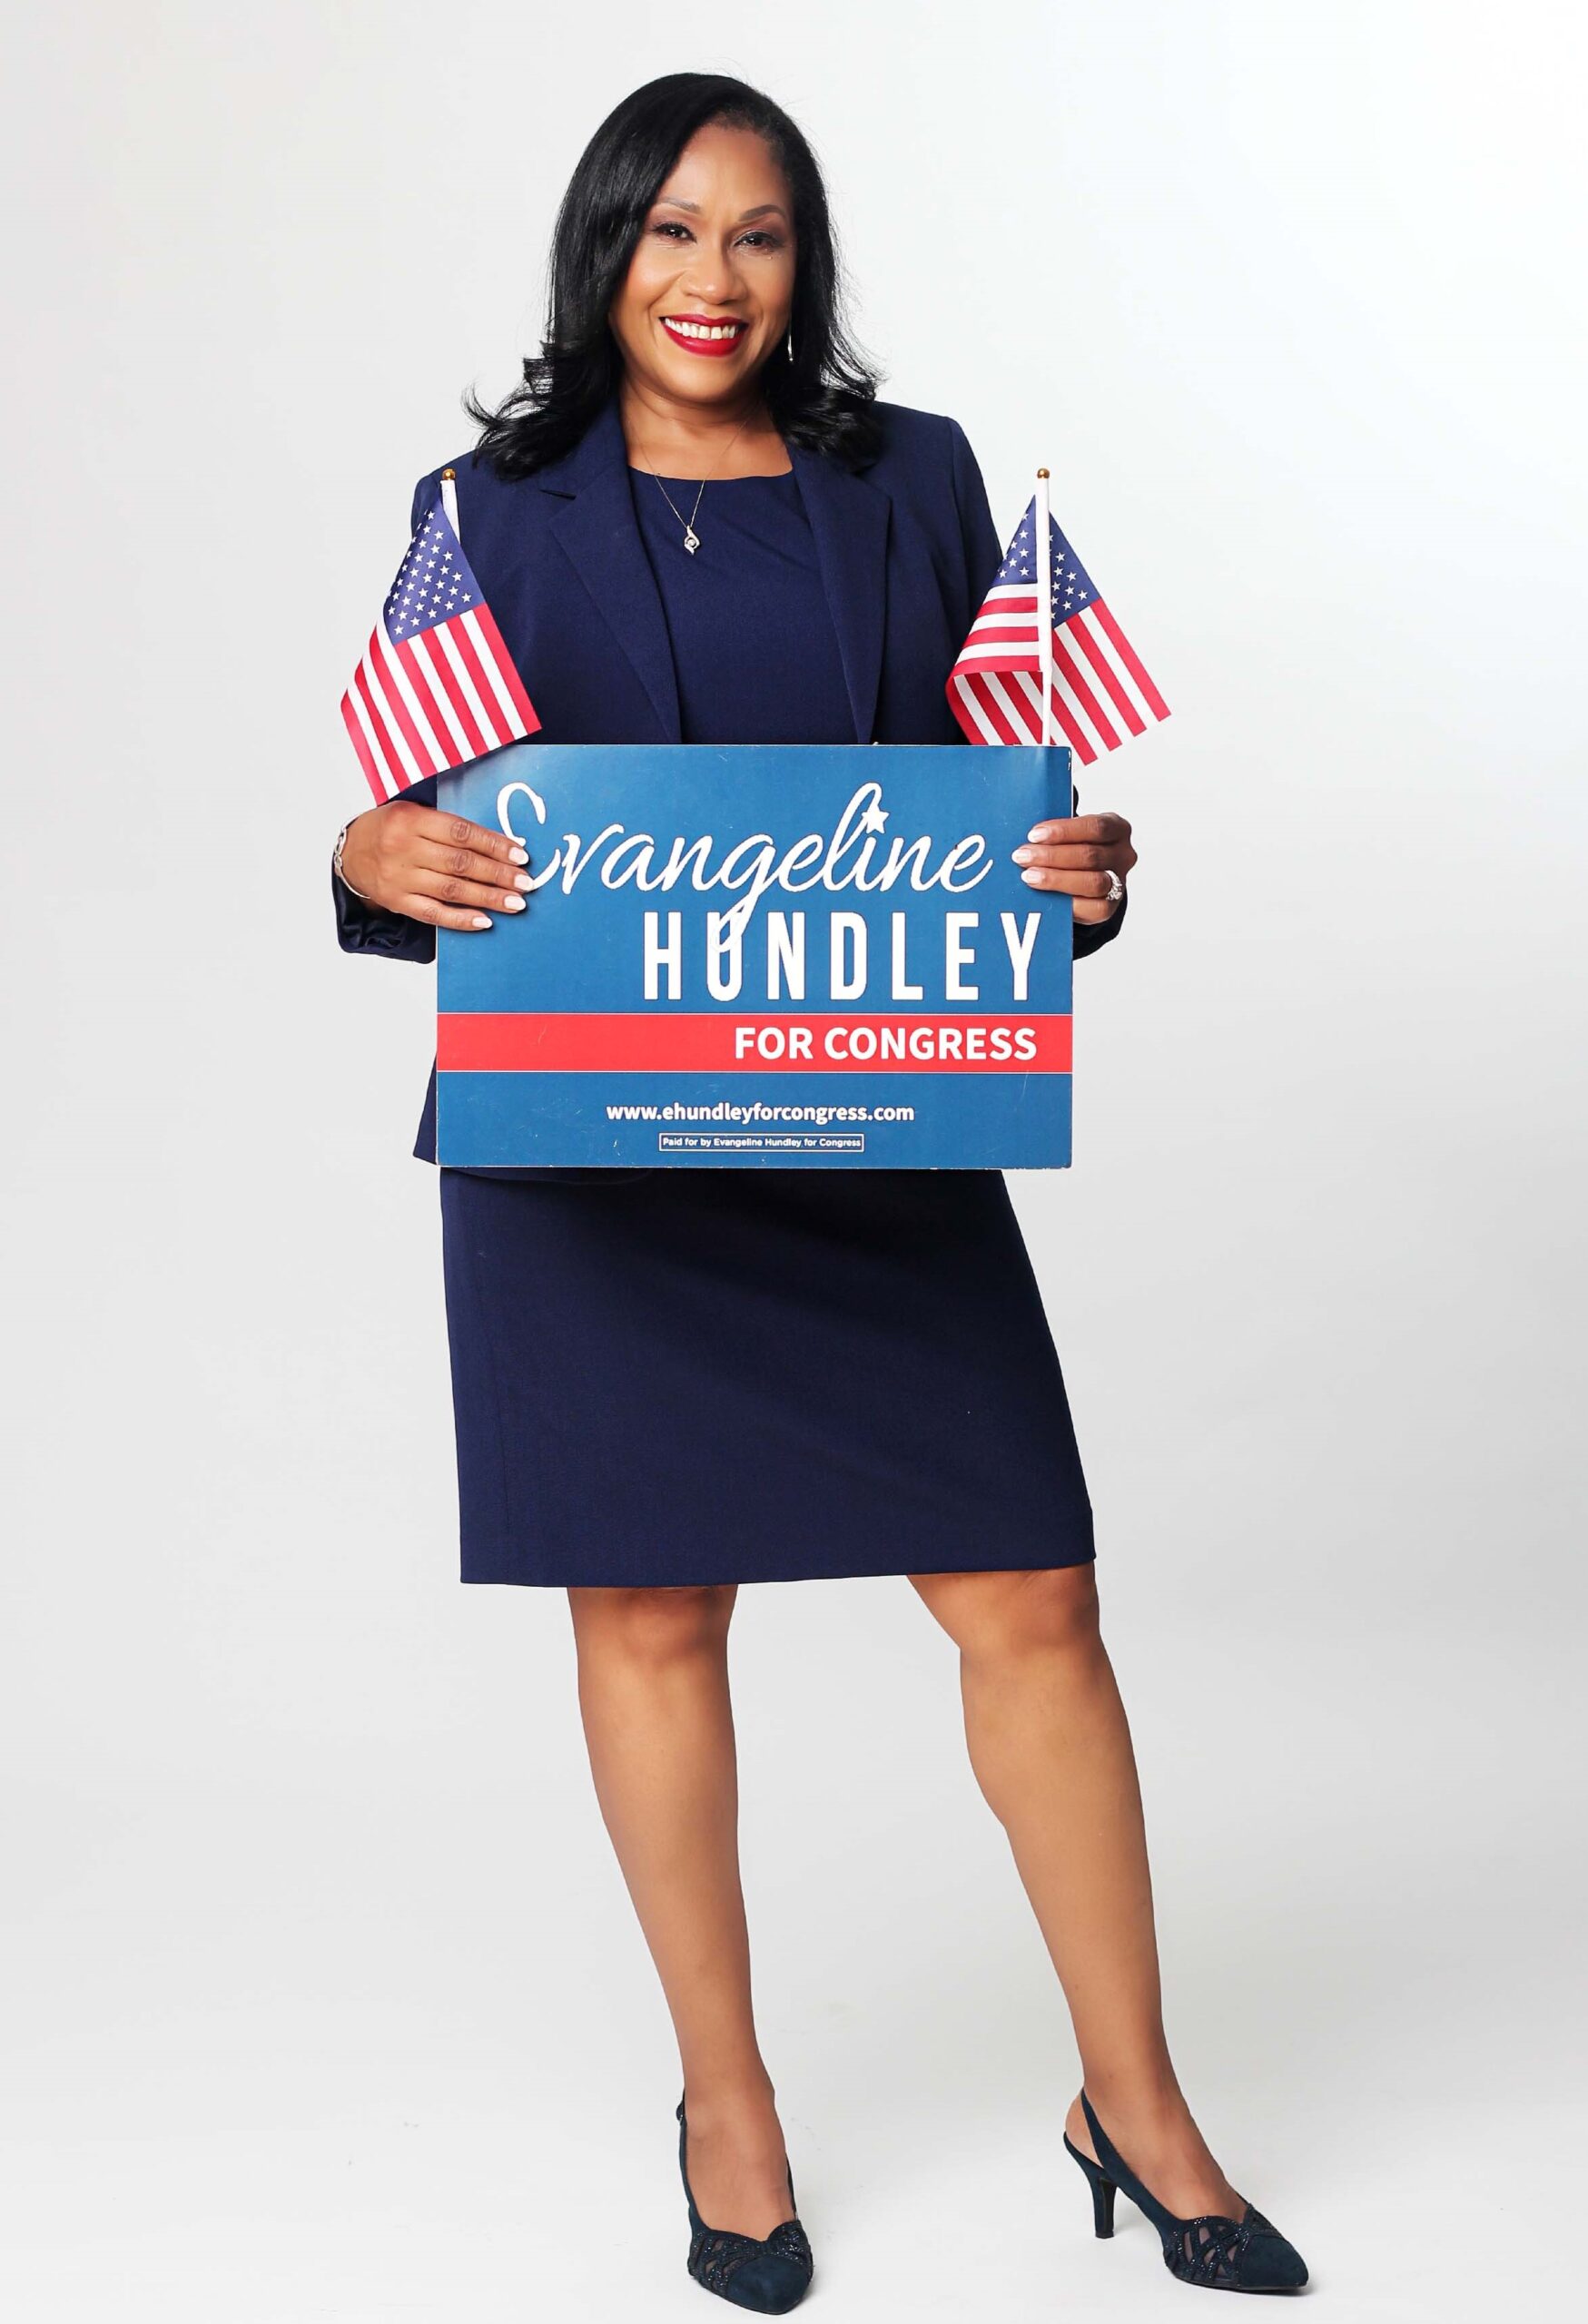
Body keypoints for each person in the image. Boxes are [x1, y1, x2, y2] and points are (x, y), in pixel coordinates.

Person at [330, 71, 1308, 2312]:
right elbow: (417, 829)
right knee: (656, 1617)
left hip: (863, 1125)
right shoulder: (482, 513)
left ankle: (1130, 2096)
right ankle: (729, 2096)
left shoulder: (916, 480)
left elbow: (995, 802)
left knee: (1032, 1597)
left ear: (805, 265)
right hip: (588, 1157)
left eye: (757, 235)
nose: (711, 278)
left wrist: (1070, 877)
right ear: (601, 255)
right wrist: (362, 854)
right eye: (669, 233)